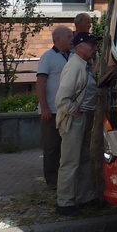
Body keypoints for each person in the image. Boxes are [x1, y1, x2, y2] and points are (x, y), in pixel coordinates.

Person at [54, 32, 101, 216]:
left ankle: (84, 197)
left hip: (82, 116)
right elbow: (61, 99)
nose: (95, 48)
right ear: (80, 47)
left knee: (82, 159)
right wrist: (75, 111)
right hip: (75, 119)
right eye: (91, 45)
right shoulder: (74, 66)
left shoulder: (82, 65)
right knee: (70, 161)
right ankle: (65, 201)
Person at [35, 25, 73, 190]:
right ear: (57, 39)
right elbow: (40, 82)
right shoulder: (48, 57)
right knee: (51, 147)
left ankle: (66, 179)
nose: (72, 39)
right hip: (51, 110)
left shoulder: (73, 56)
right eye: (69, 36)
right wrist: (44, 107)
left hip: (69, 110)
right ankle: (52, 180)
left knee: (68, 147)